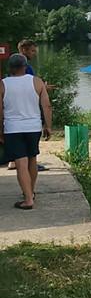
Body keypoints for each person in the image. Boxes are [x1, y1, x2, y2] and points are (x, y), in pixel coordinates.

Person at [0, 54, 52, 209]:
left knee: (20, 163)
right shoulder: (37, 82)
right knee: (32, 159)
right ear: (25, 66)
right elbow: (47, 106)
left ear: (10, 68)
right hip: (33, 127)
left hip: (13, 128)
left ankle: (28, 199)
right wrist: (48, 126)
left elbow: (0, 111)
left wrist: (0, 130)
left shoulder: (3, 84)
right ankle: (31, 191)